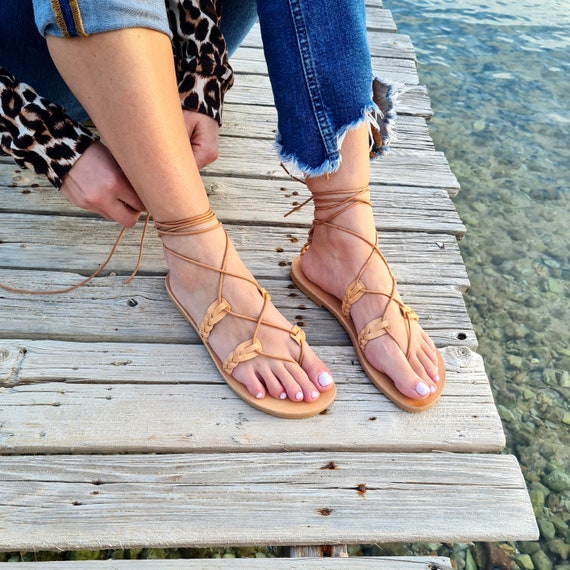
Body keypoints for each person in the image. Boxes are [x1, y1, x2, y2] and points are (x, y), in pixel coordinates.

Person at [0, 0, 445, 418]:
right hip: (38, 64)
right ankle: (195, 251)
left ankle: (345, 230)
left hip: (175, 34)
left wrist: (201, 76)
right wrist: (43, 137)